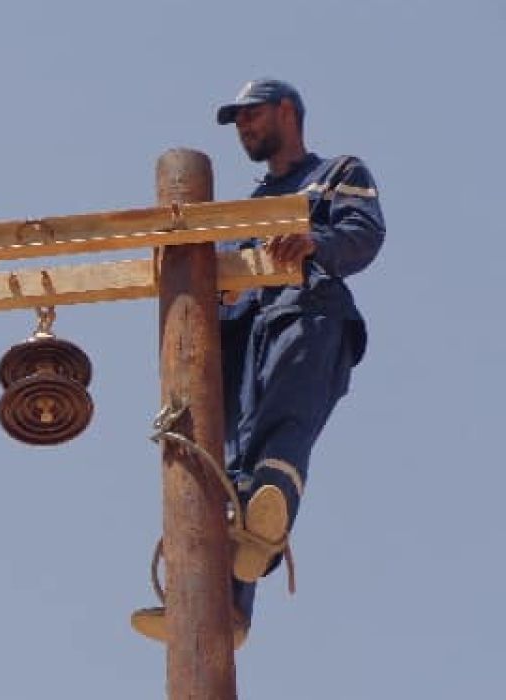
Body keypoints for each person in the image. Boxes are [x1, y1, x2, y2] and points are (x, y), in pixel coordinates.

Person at [132, 78, 386, 647]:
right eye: (237, 120)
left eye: (251, 115)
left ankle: (264, 525)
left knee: (279, 427)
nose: (243, 128)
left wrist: (315, 242)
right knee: (220, 459)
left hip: (308, 315)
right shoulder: (239, 216)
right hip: (242, 340)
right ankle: (220, 605)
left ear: (286, 112)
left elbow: (363, 233)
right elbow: (214, 283)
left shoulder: (336, 173)